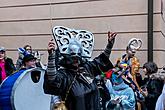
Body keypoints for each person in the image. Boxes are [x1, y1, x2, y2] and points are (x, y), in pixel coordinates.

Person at [43, 26, 117, 110]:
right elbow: (52, 80)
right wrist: (51, 57)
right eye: (73, 59)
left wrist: (109, 45)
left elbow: (101, 61)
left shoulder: (87, 68)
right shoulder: (64, 75)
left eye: (78, 58)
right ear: (67, 58)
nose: (76, 61)